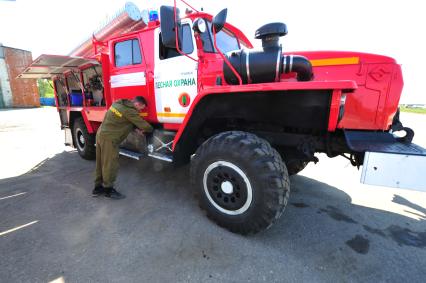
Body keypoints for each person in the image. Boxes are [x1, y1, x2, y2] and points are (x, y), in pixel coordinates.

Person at [93, 96, 153, 199]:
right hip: (109, 139)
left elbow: (122, 120)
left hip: (100, 135)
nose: (140, 111)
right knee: (110, 164)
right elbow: (145, 126)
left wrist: (134, 128)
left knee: (101, 162)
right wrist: (151, 129)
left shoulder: (118, 104)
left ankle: (97, 188)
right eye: (141, 108)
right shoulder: (130, 111)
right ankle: (108, 190)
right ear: (137, 104)